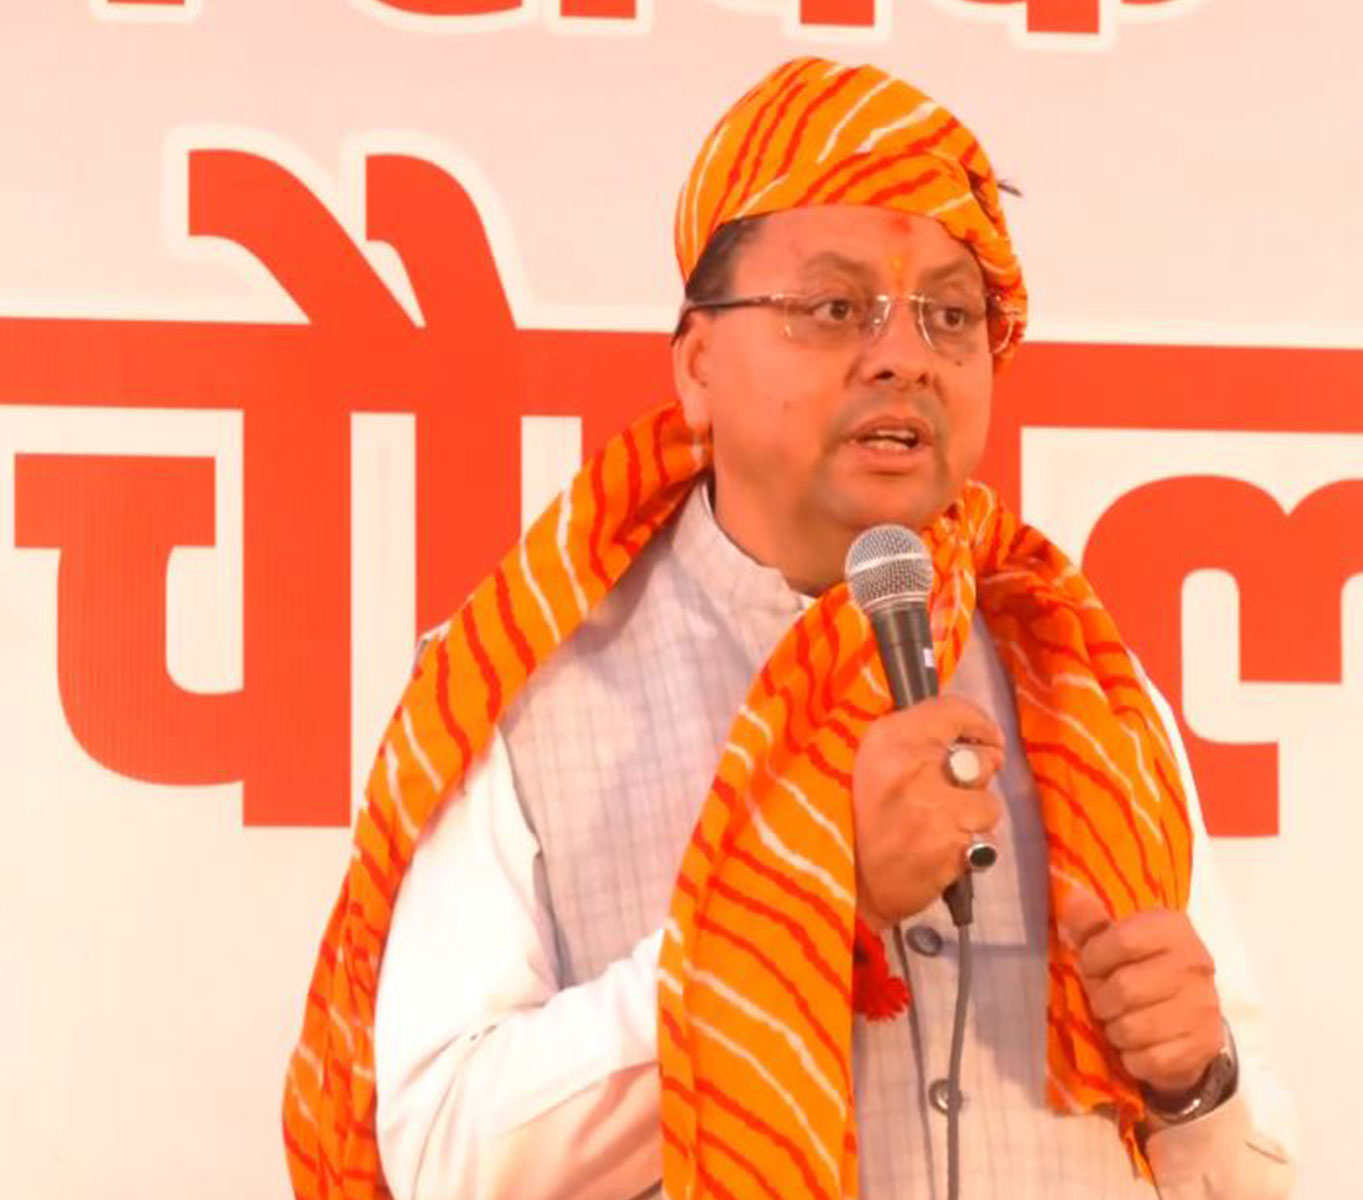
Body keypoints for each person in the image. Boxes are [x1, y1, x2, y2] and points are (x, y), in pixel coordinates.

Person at [283, 56, 1297, 1200]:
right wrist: (807, 897)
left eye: (950, 316)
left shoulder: (1084, 692)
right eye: (832, 308)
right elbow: (445, 1160)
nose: (904, 354)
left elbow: (1252, 1176)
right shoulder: (525, 690)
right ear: (698, 363)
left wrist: (1195, 1086)